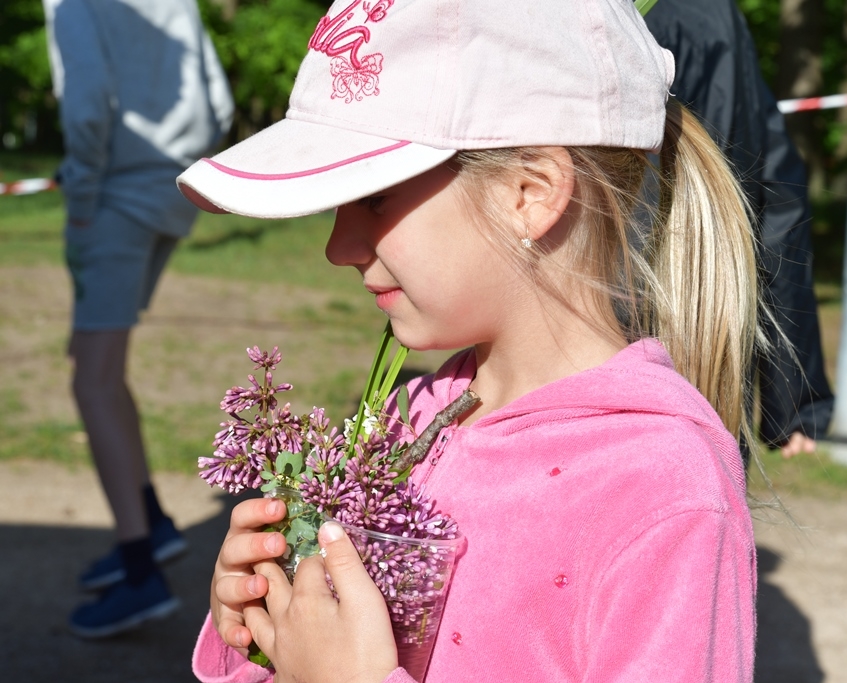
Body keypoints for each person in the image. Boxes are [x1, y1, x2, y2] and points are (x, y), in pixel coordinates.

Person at [179, 0, 757, 680]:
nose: (337, 246)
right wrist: (258, 632)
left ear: (529, 192)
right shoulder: (405, 420)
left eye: (373, 198)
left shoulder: (661, 493)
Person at [43, 0, 233, 637]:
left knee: (91, 379)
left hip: (115, 198)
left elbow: (88, 102)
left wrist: (84, 200)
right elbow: (221, 101)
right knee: (100, 366)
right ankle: (148, 521)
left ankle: (139, 573)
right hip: (174, 194)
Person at [644, 0, 835, 459]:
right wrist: (793, 397)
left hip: (592, 335)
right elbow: (776, 197)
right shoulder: (713, 17)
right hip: (705, 338)